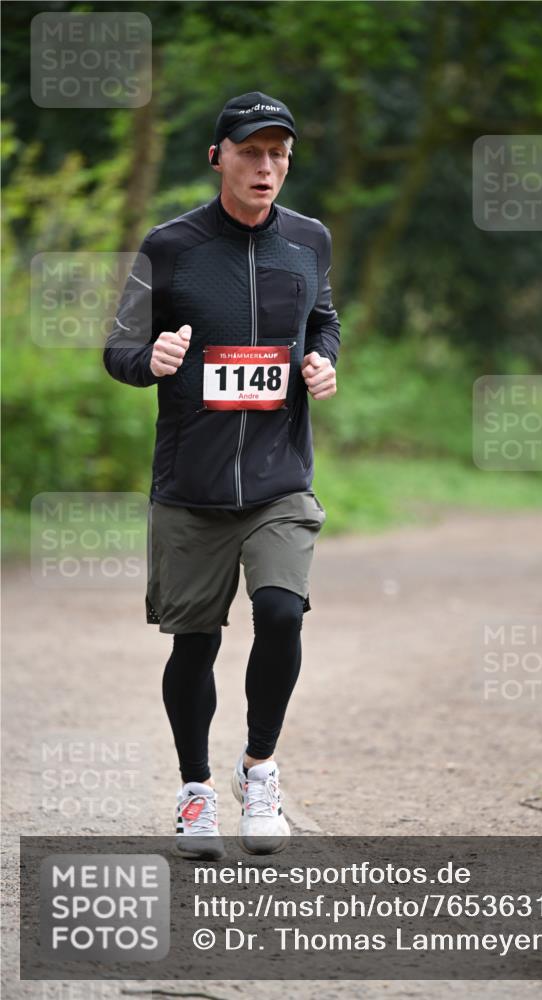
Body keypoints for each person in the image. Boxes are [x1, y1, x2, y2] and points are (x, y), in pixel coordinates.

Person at [103, 91, 340, 858]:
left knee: (280, 613)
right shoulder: (169, 246)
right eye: (249, 151)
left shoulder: (309, 241)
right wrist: (151, 362)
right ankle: (196, 790)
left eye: (277, 153)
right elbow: (119, 348)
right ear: (218, 158)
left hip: (279, 478)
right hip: (191, 484)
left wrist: (322, 359)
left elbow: (324, 318)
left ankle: (259, 770)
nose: (264, 166)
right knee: (193, 643)